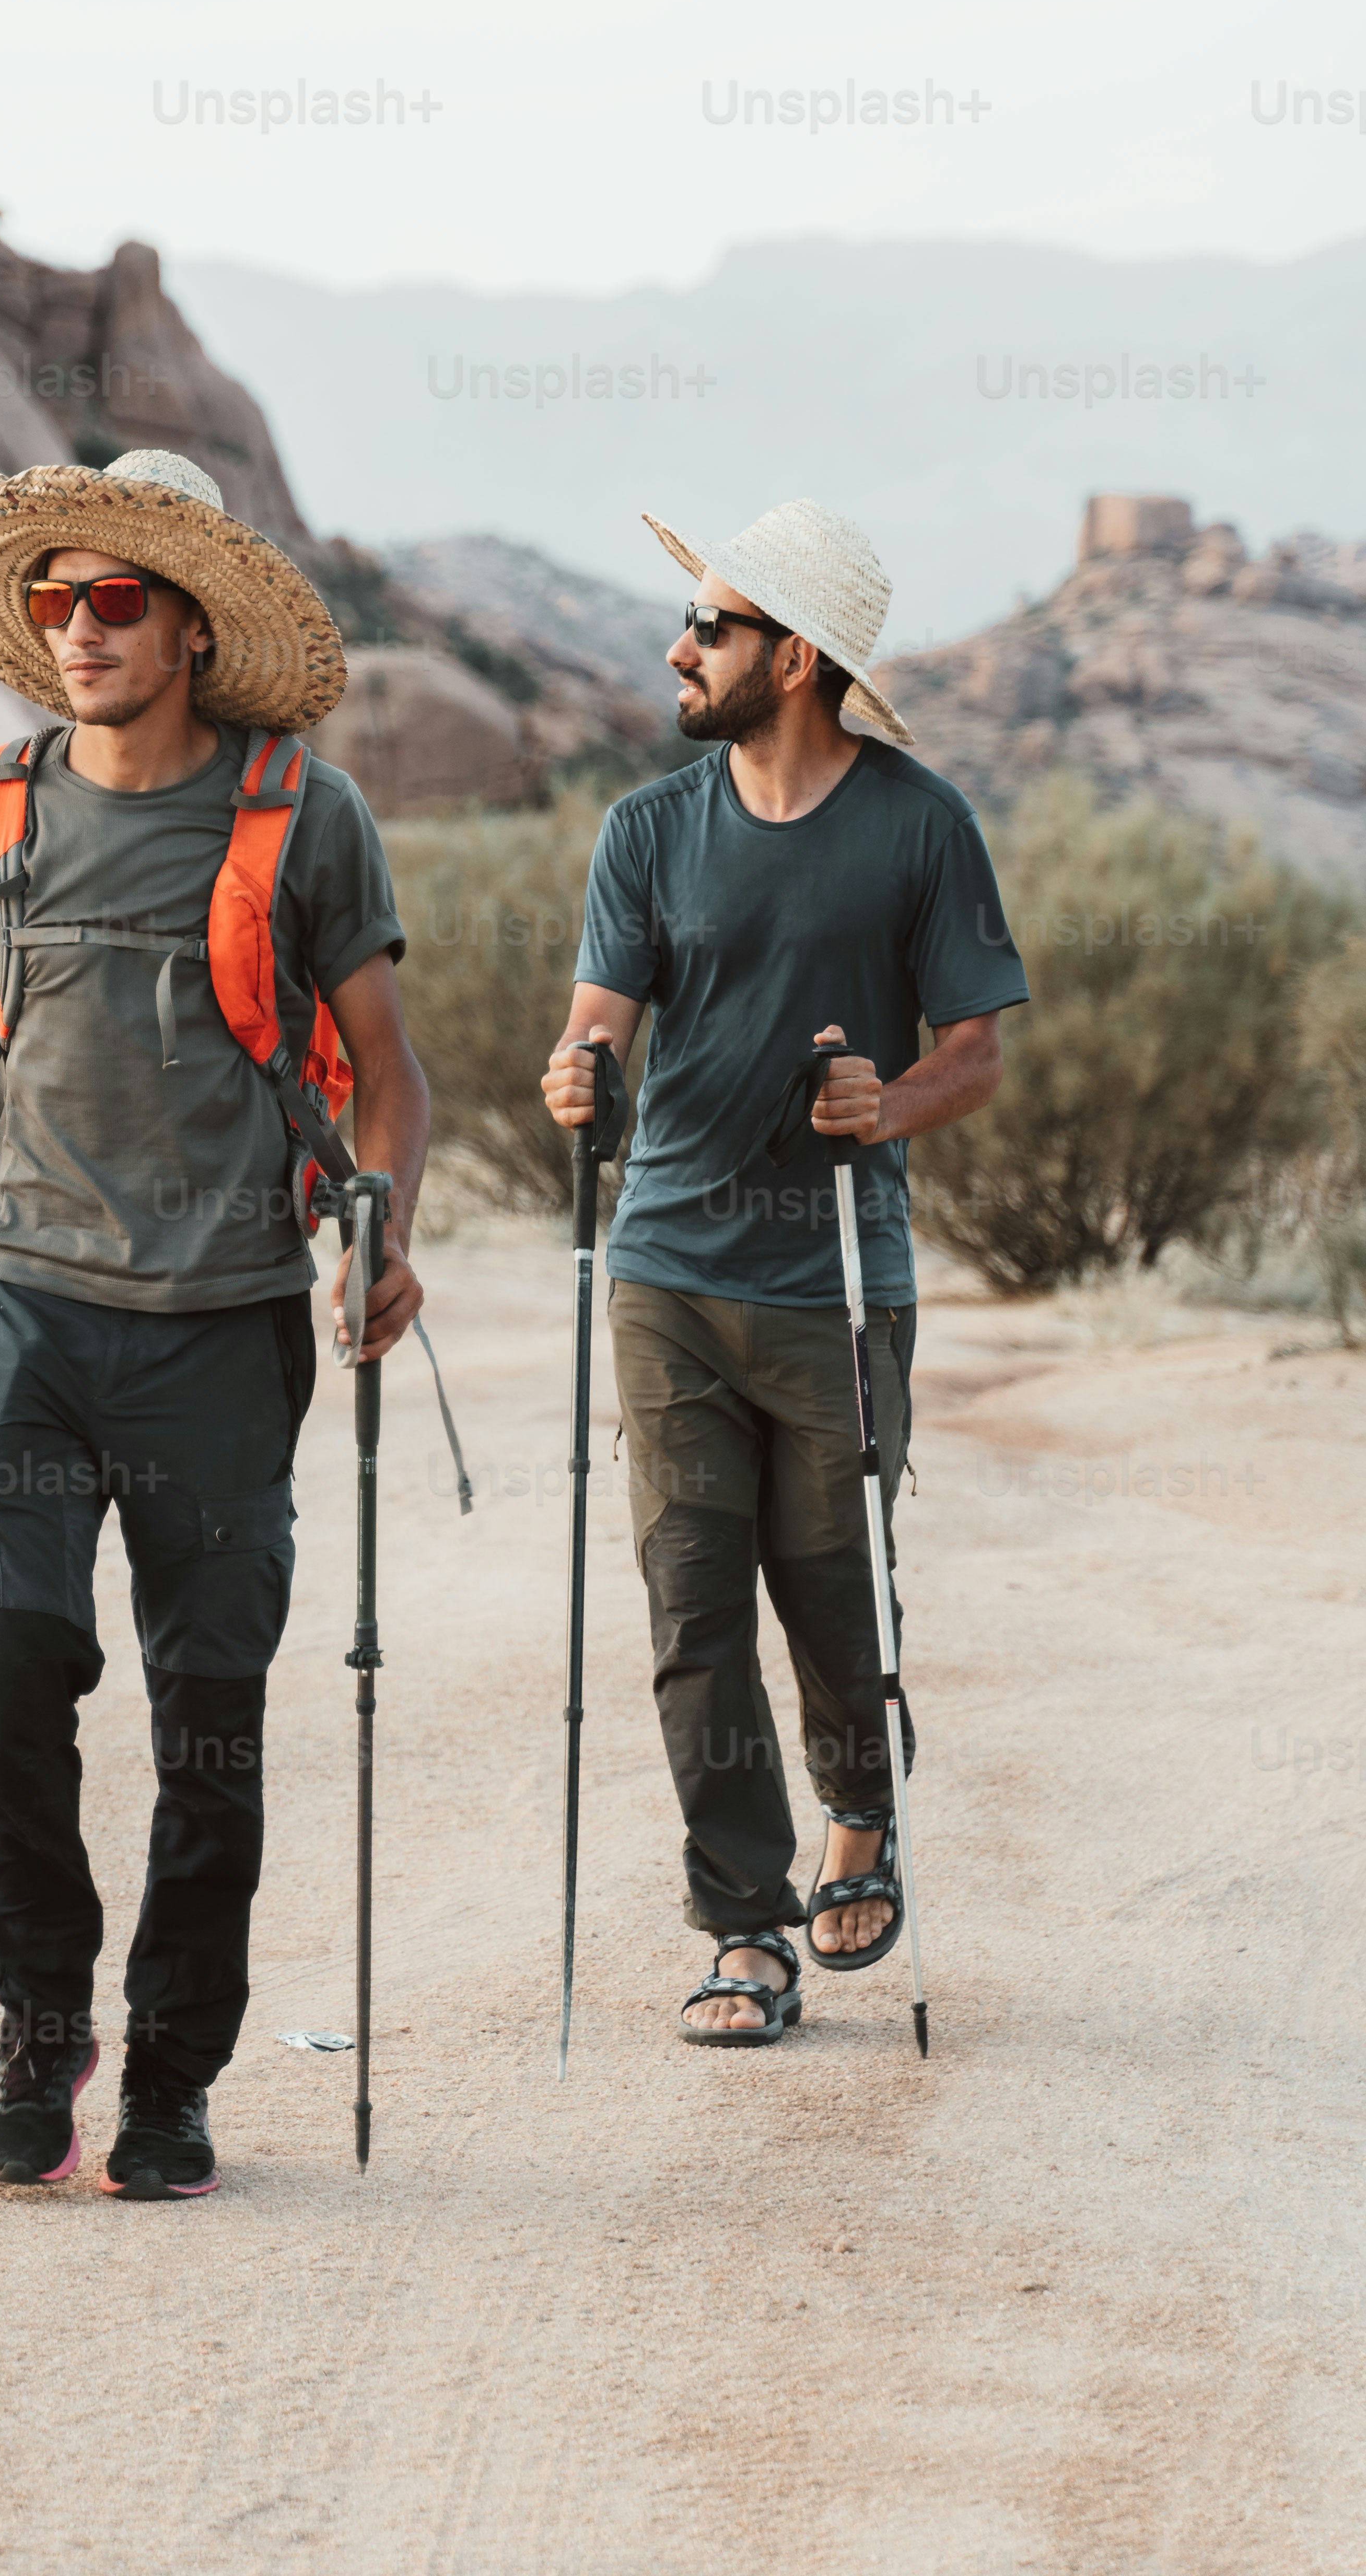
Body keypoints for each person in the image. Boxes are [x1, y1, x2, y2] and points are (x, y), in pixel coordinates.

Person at [0, 447, 429, 2193]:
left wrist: (379, 1236)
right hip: (22, 1315)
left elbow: (394, 1077)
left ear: (190, 630)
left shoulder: (302, 817)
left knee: (210, 1713)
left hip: (223, 1327)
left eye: (115, 600)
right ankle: (47, 2017)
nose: (78, 628)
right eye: (57, 601)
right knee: (1, 1655)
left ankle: (173, 2078)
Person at [541, 499, 1028, 2045]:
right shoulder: (647, 829)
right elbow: (600, 1023)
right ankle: (742, 1924)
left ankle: (862, 1817)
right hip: (670, 1264)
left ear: (796, 657)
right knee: (693, 1603)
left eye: (712, 626)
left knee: (831, 1592)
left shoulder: (920, 825)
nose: (677, 649)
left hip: (835, 1275)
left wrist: (888, 1102)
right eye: (688, 621)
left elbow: (976, 1055)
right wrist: (576, 1076)